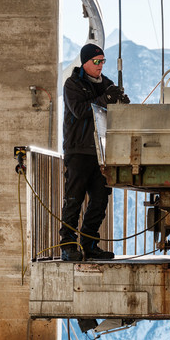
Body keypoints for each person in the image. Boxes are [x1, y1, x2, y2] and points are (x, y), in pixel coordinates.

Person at [60, 42, 129, 261]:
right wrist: (105, 99)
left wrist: (120, 103)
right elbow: (79, 111)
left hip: (101, 153)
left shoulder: (106, 84)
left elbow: (113, 111)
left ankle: (89, 244)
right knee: (74, 199)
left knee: (100, 200)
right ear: (85, 62)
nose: (100, 66)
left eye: (103, 62)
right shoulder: (72, 84)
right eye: (96, 62)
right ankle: (68, 245)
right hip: (78, 151)